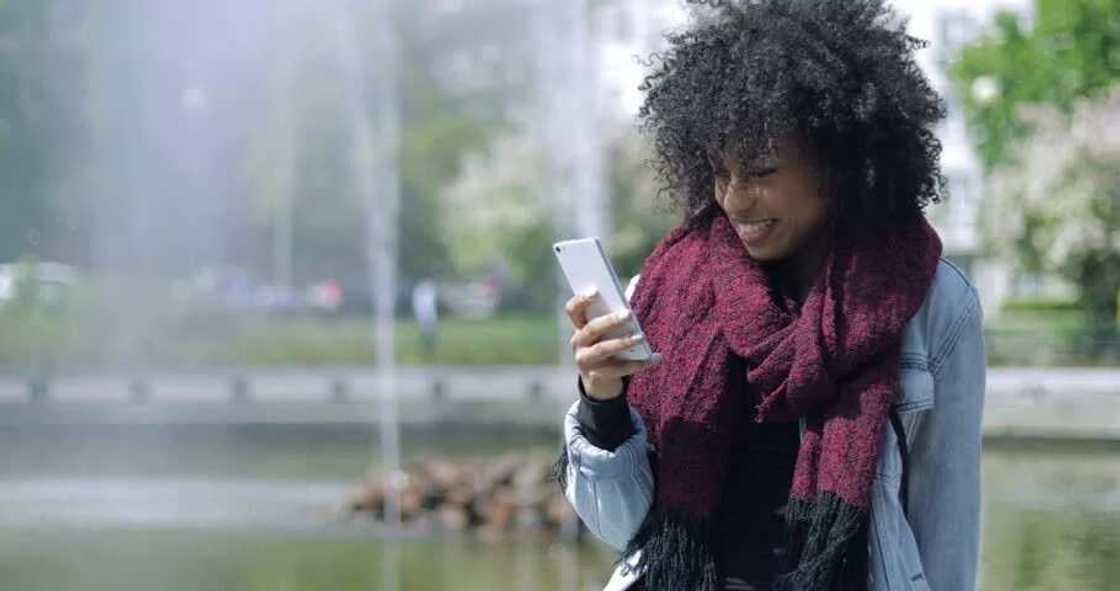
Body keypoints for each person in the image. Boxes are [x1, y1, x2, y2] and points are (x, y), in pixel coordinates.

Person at [555, 1, 985, 590]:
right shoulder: (660, 292)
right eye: (719, 171)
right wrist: (603, 401)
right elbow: (619, 525)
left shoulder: (933, 305)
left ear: (837, 164)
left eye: (760, 171)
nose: (734, 200)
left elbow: (947, 526)